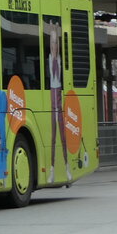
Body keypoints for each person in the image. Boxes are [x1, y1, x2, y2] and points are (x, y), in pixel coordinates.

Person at [46, 21, 71, 182]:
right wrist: (52, 31)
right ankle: (52, 170)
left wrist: (56, 31)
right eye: (53, 43)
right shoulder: (50, 59)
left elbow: (57, 46)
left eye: (56, 43)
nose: (54, 46)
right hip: (52, 103)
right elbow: (51, 45)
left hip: (59, 104)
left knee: (62, 138)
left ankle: (68, 168)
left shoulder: (59, 61)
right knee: (53, 139)